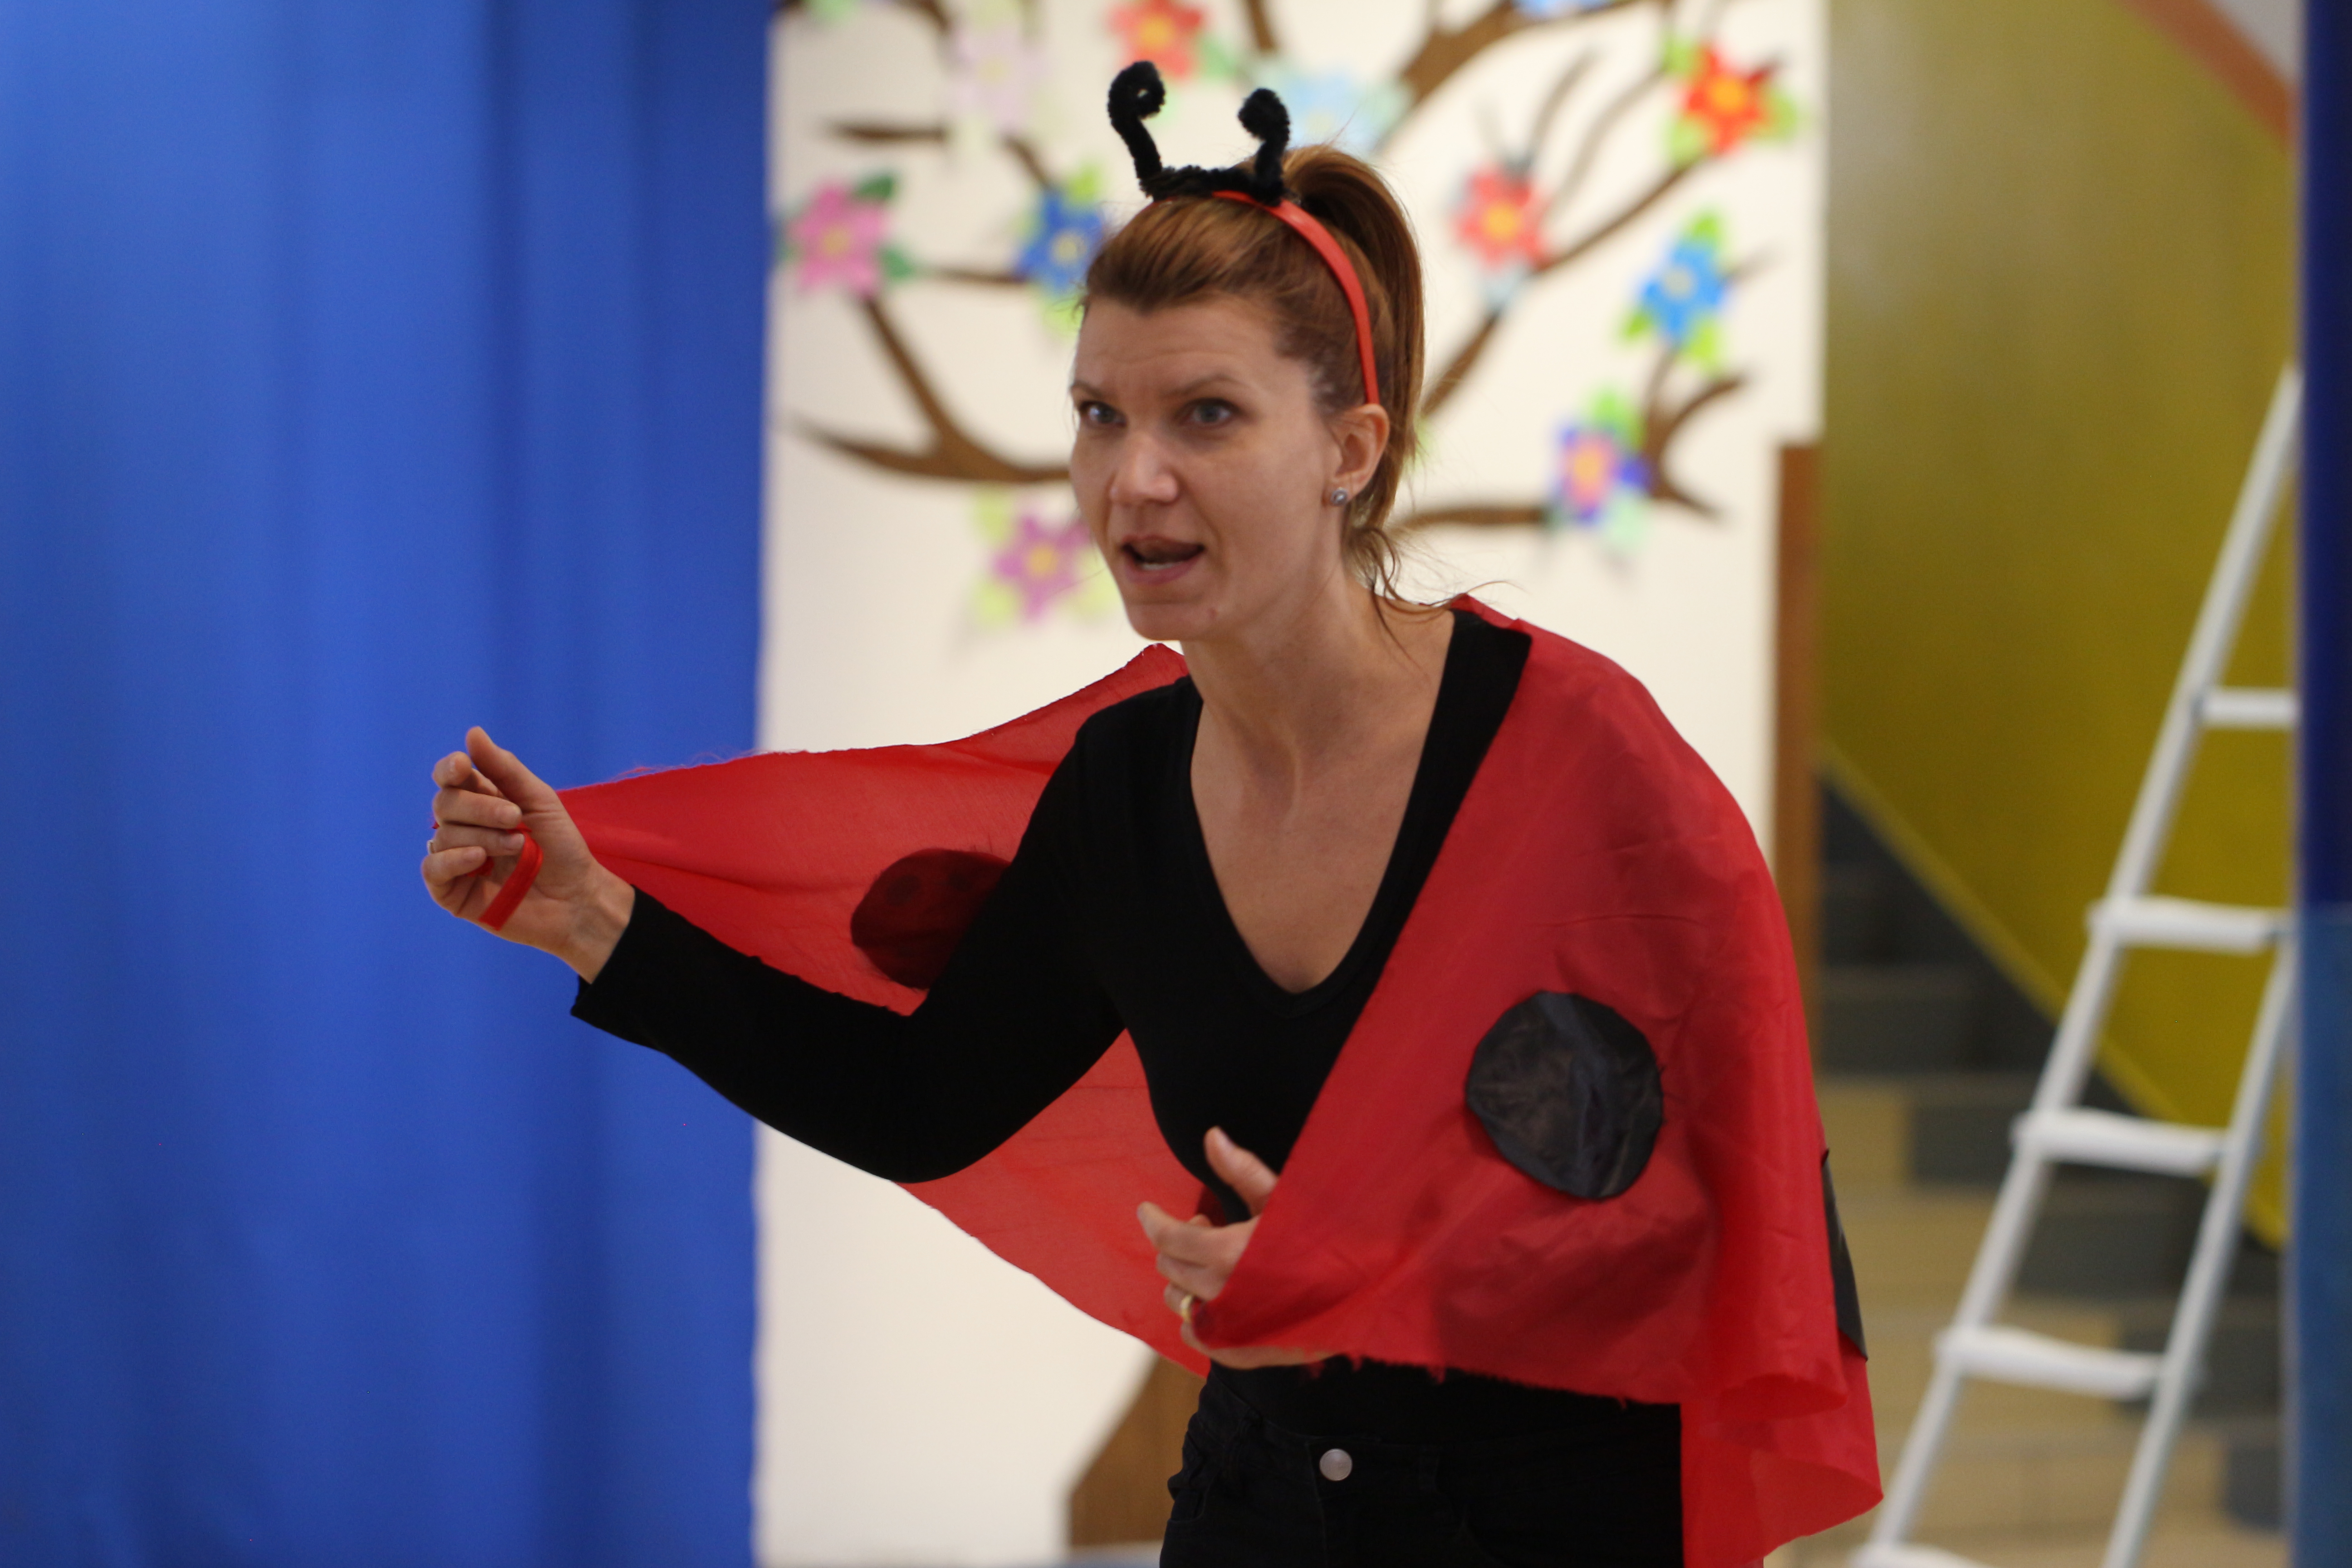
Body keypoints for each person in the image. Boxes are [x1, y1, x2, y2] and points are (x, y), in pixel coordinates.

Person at [421, 65, 1873, 1568]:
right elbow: (924, 1102)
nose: (1136, 477)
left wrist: (1380, 1286)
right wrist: (600, 925)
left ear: (1352, 449)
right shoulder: (1123, 789)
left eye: (1208, 416)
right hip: (1257, 1505)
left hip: (1556, 1522)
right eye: (1099, 415)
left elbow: (1723, 1218)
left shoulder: (1572, 759)